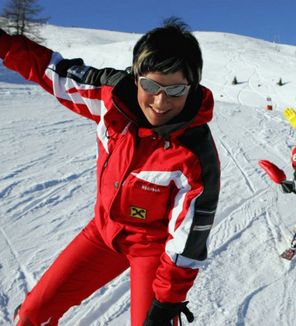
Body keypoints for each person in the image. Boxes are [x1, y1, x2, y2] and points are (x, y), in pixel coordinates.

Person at [1, 17, 220, 326]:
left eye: (176, 90)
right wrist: (3, 44)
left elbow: (188, 241)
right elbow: (52, 71)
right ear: (136, 78)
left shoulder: (194, 154)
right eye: (151, 86)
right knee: (30, 316)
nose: (160, 102)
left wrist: (166, 302)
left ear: (192, 86)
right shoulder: (112, 98)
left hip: (151, 250)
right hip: (103, 234)